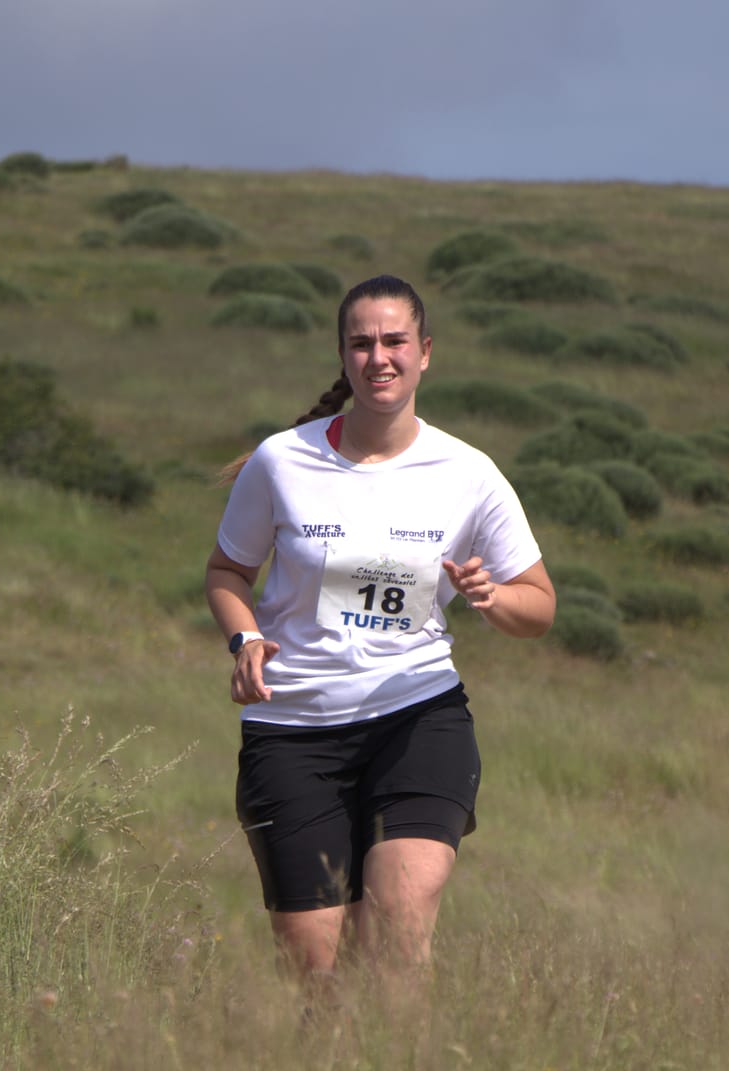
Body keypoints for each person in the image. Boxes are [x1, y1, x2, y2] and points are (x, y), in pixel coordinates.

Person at [204, 273, 555, 997]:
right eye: (362, 343)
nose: (379, 357)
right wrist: (244, 641)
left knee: (398, 924)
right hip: (294, 730)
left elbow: (541, 605)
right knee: (318, 979)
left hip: (418, 717)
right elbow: (225, 572)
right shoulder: (282, 461)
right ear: (343, 356)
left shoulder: (469, 473)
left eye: (395, 341)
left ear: (426, 353)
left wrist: (493, 598)